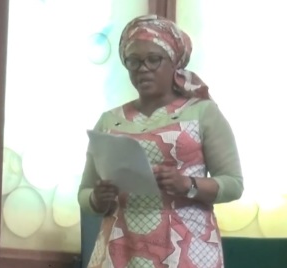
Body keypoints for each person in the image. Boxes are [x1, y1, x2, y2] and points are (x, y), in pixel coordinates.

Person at [78, 14, 243, 268]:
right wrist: (98, 199)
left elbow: (233, 184)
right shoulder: (110, 121)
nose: (142, 68)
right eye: (133, 61)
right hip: (121, 247)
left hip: (186, 247)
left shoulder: (203, 113)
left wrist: (187, 184)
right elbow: (85, 193)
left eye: (153, 60)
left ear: (174, 61)